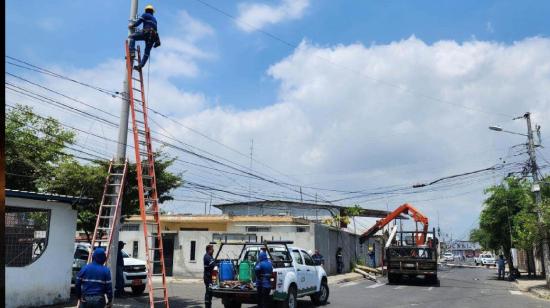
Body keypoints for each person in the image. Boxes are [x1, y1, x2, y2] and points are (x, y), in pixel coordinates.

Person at [128, 4, 161, 70]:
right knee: (147, 52)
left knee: (132, 37)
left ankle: (132, 52)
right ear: (152, 12)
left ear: (146, 10)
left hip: (146, 32)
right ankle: (140, 66)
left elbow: (138, 23)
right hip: (153, 37)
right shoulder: (155, 19)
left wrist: (132, 26)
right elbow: (156, 30)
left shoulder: (145, 15)